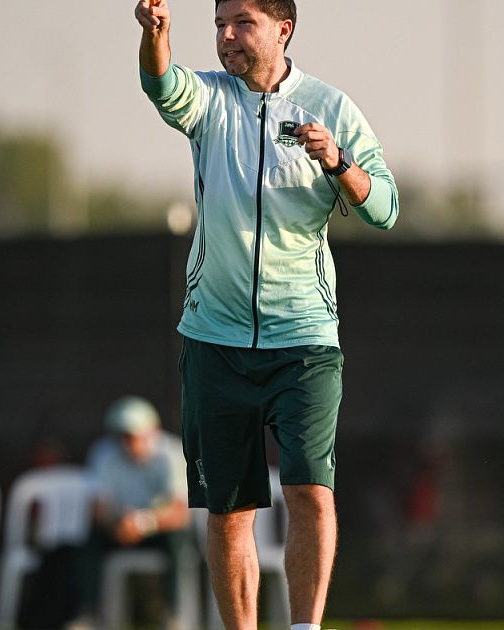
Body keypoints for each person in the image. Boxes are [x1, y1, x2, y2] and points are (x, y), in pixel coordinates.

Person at [133, 1, 399, 628]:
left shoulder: (330, 107)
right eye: (218, 24)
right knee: (228, 511)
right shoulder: (210, 100)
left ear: (283, 30)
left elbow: (385, 207)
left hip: (304, 340)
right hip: (214, 339)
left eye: (242, 23)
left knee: (309, 491)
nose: (226, 36)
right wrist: (157, 35)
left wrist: (338, 161)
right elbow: (161, 85)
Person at [72, 395, 192, 629]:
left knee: (179, 542)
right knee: (88, 541)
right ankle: (89, 613)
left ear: (153, 431)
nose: (129, 443)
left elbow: (180, 512)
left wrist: (145, 523)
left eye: (134, 435)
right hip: (118, 526)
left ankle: (173, 614)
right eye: (124, 436)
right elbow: (97, 507)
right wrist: (117, 524)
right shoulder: (104, 453)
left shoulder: (171, 453)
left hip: (160, 529)